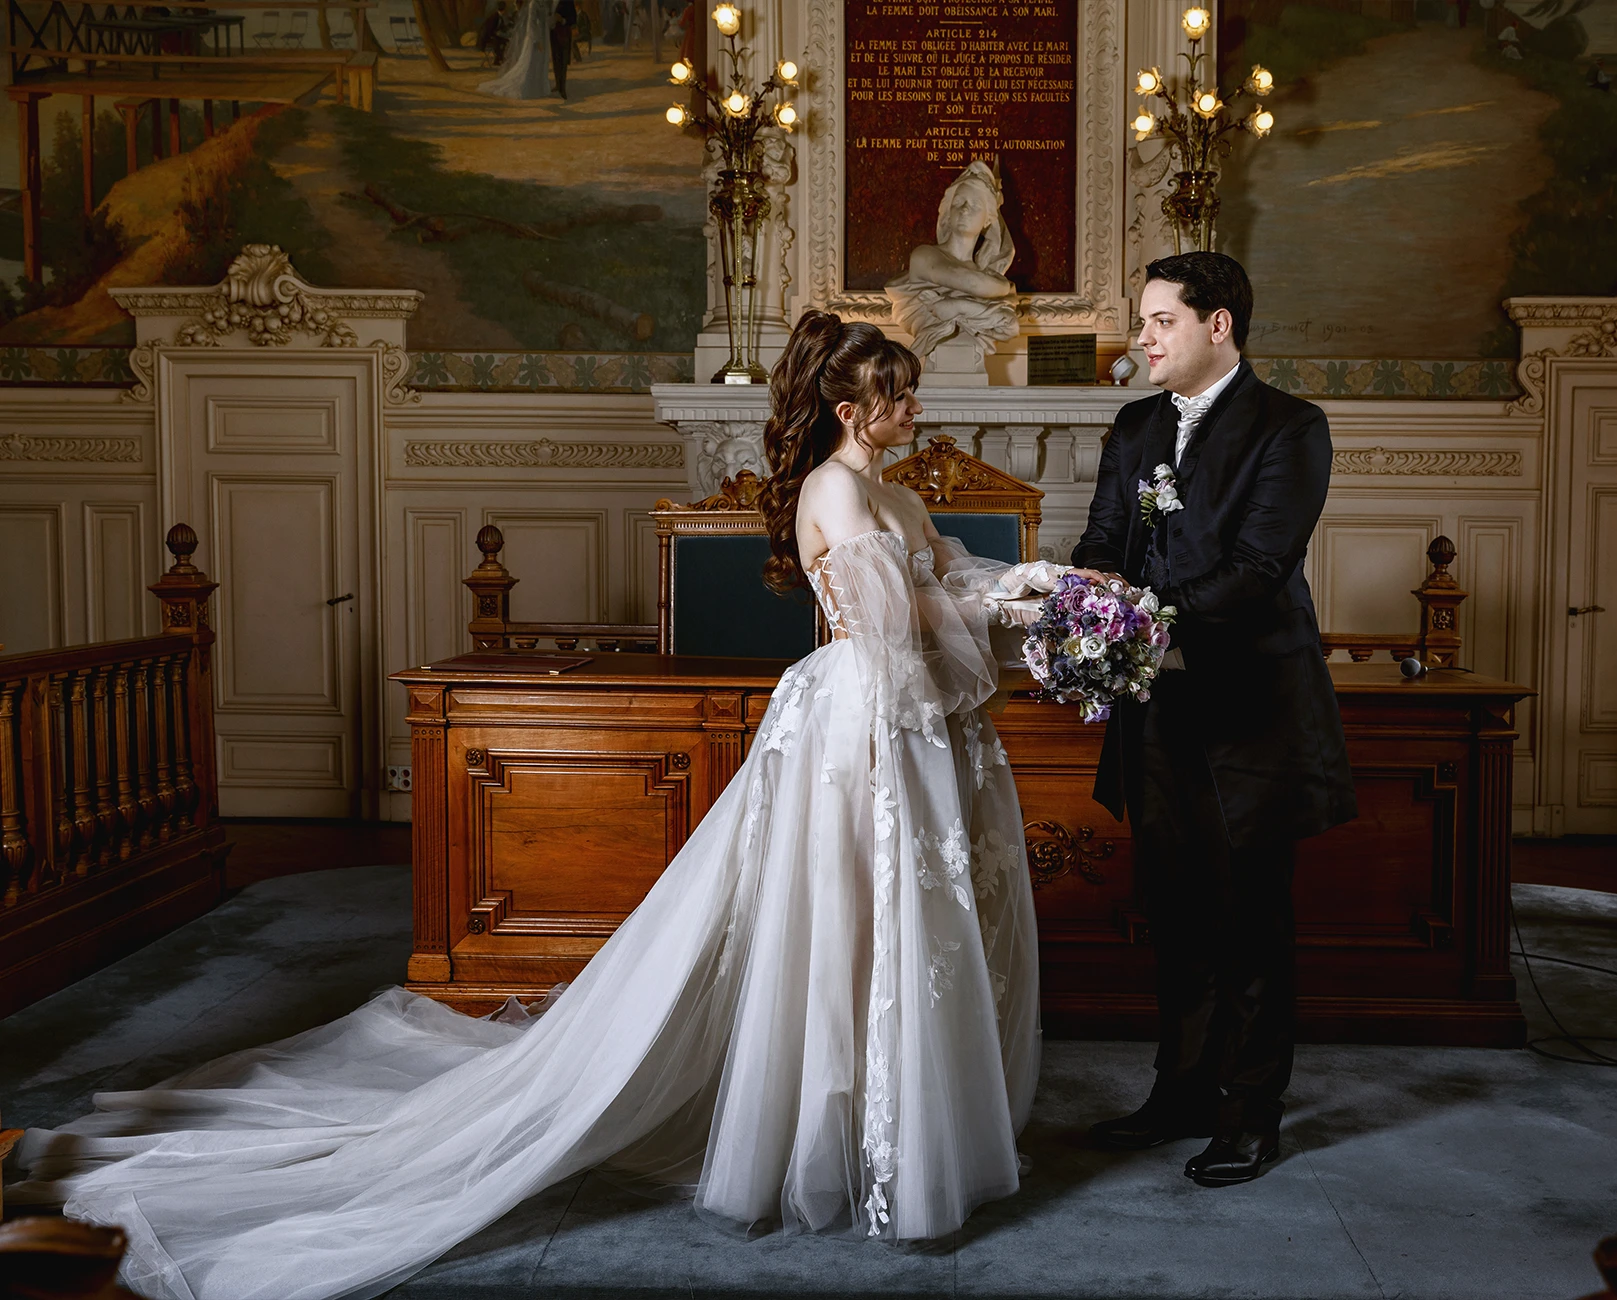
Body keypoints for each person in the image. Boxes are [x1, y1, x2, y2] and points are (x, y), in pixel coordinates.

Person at [8, 313, 1051, 1300]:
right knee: (839, 925)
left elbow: (958, 577)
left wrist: (1048, 596)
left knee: (903, 926)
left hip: (916, 730)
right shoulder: (831, 490)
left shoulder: (906, 500)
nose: (915, 410)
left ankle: (903, 1123)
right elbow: (896, 616)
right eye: (898, 395)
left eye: (910, 394)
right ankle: (834, 1127)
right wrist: (1004, 603)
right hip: (857, 726)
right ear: (851, 409)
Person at [1073, 252, 1356, 1188]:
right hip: (1158, 715)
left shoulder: (1291, 428)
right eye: (1142, 322)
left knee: (1248, 926)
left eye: (1158, 322)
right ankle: (1180, 1093)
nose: (1141, 339)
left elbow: (1256, 570)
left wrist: (1135, 616)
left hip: (1253, 719)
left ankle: (1248, 1113)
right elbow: (1103, 542)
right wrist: (1082, 605)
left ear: (1217, 324)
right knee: (1177, 915)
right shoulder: (1133, 427)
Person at [884, 160, 1019, 366]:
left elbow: (1009, 325)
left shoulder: (991, 281)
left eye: (974, 205)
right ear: (948, 212)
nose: (964, 209)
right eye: (958, 203)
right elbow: (972, 284)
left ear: (987, 220)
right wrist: (990, 297)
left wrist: (958, 305)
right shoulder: (924, 256)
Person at [479, 0, 551, 99]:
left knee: (539, 62)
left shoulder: (542, 3)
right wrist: (536, 40)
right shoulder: (533, 4)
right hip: (534, 39)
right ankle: (528, 88)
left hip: (543, 36)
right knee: (530, 62)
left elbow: (545, 20)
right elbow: (531, 24)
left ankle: (538, 88)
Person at [550, 0, 578, 97]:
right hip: (553, 33)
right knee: (555, 60)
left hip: (563, 34)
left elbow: (573, 19)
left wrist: (562, 20)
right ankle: (558, 85)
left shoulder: (568, 1)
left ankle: (562, 88)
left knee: (563, 62)